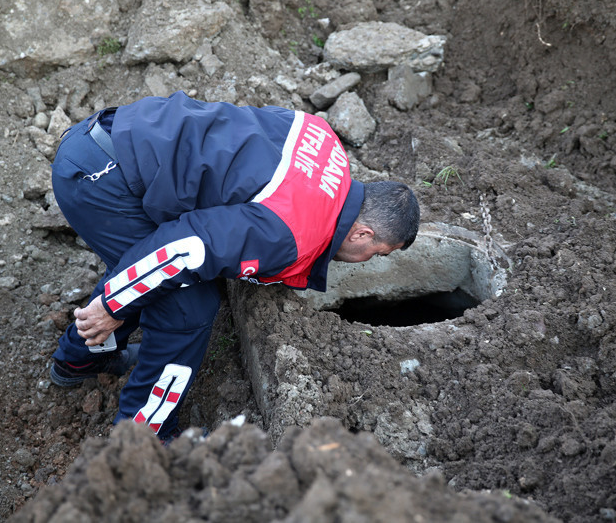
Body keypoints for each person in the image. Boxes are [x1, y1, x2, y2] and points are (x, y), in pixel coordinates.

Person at [48, 91, 420, 441]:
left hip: (114, 138)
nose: (368, 262)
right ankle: (143, 439)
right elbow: (181, 250)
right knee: (188, 309)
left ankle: (77, 361)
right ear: (363, 233)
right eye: (377, 253)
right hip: (100, 181)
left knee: (147, 275)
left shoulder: (323, 137)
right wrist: (112, 306)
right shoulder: (290, 232)